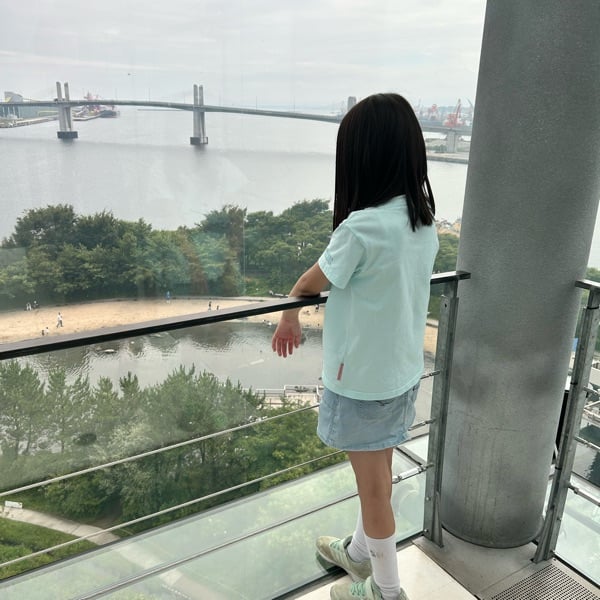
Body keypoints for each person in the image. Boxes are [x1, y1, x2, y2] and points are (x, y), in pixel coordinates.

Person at [271, 93, 438, 600]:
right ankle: (360, 554)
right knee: (380, 474)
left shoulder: (361, 227)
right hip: (401, 375)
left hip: (362, 383)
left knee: (373, 491)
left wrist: (288, 315)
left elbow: (311, 280)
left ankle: (386, 591)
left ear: (361, 158)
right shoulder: (421, 221)